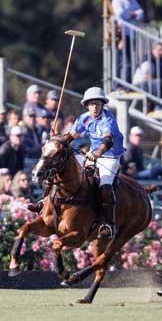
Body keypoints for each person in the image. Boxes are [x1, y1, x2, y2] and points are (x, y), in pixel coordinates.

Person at [56, 86, 125, 240]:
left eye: (97, 104)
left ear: (102, 105)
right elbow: (72, 135)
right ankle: (44, 202)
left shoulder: (108, 119)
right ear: (87, 105)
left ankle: (108, 224)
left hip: (110, 156)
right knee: (60, 165)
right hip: (92, 154)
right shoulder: (84, 118)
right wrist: (58, 141)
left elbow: (107, 141)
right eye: (92, 104)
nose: (95, 107)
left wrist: (97, 154)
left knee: (105, 187)